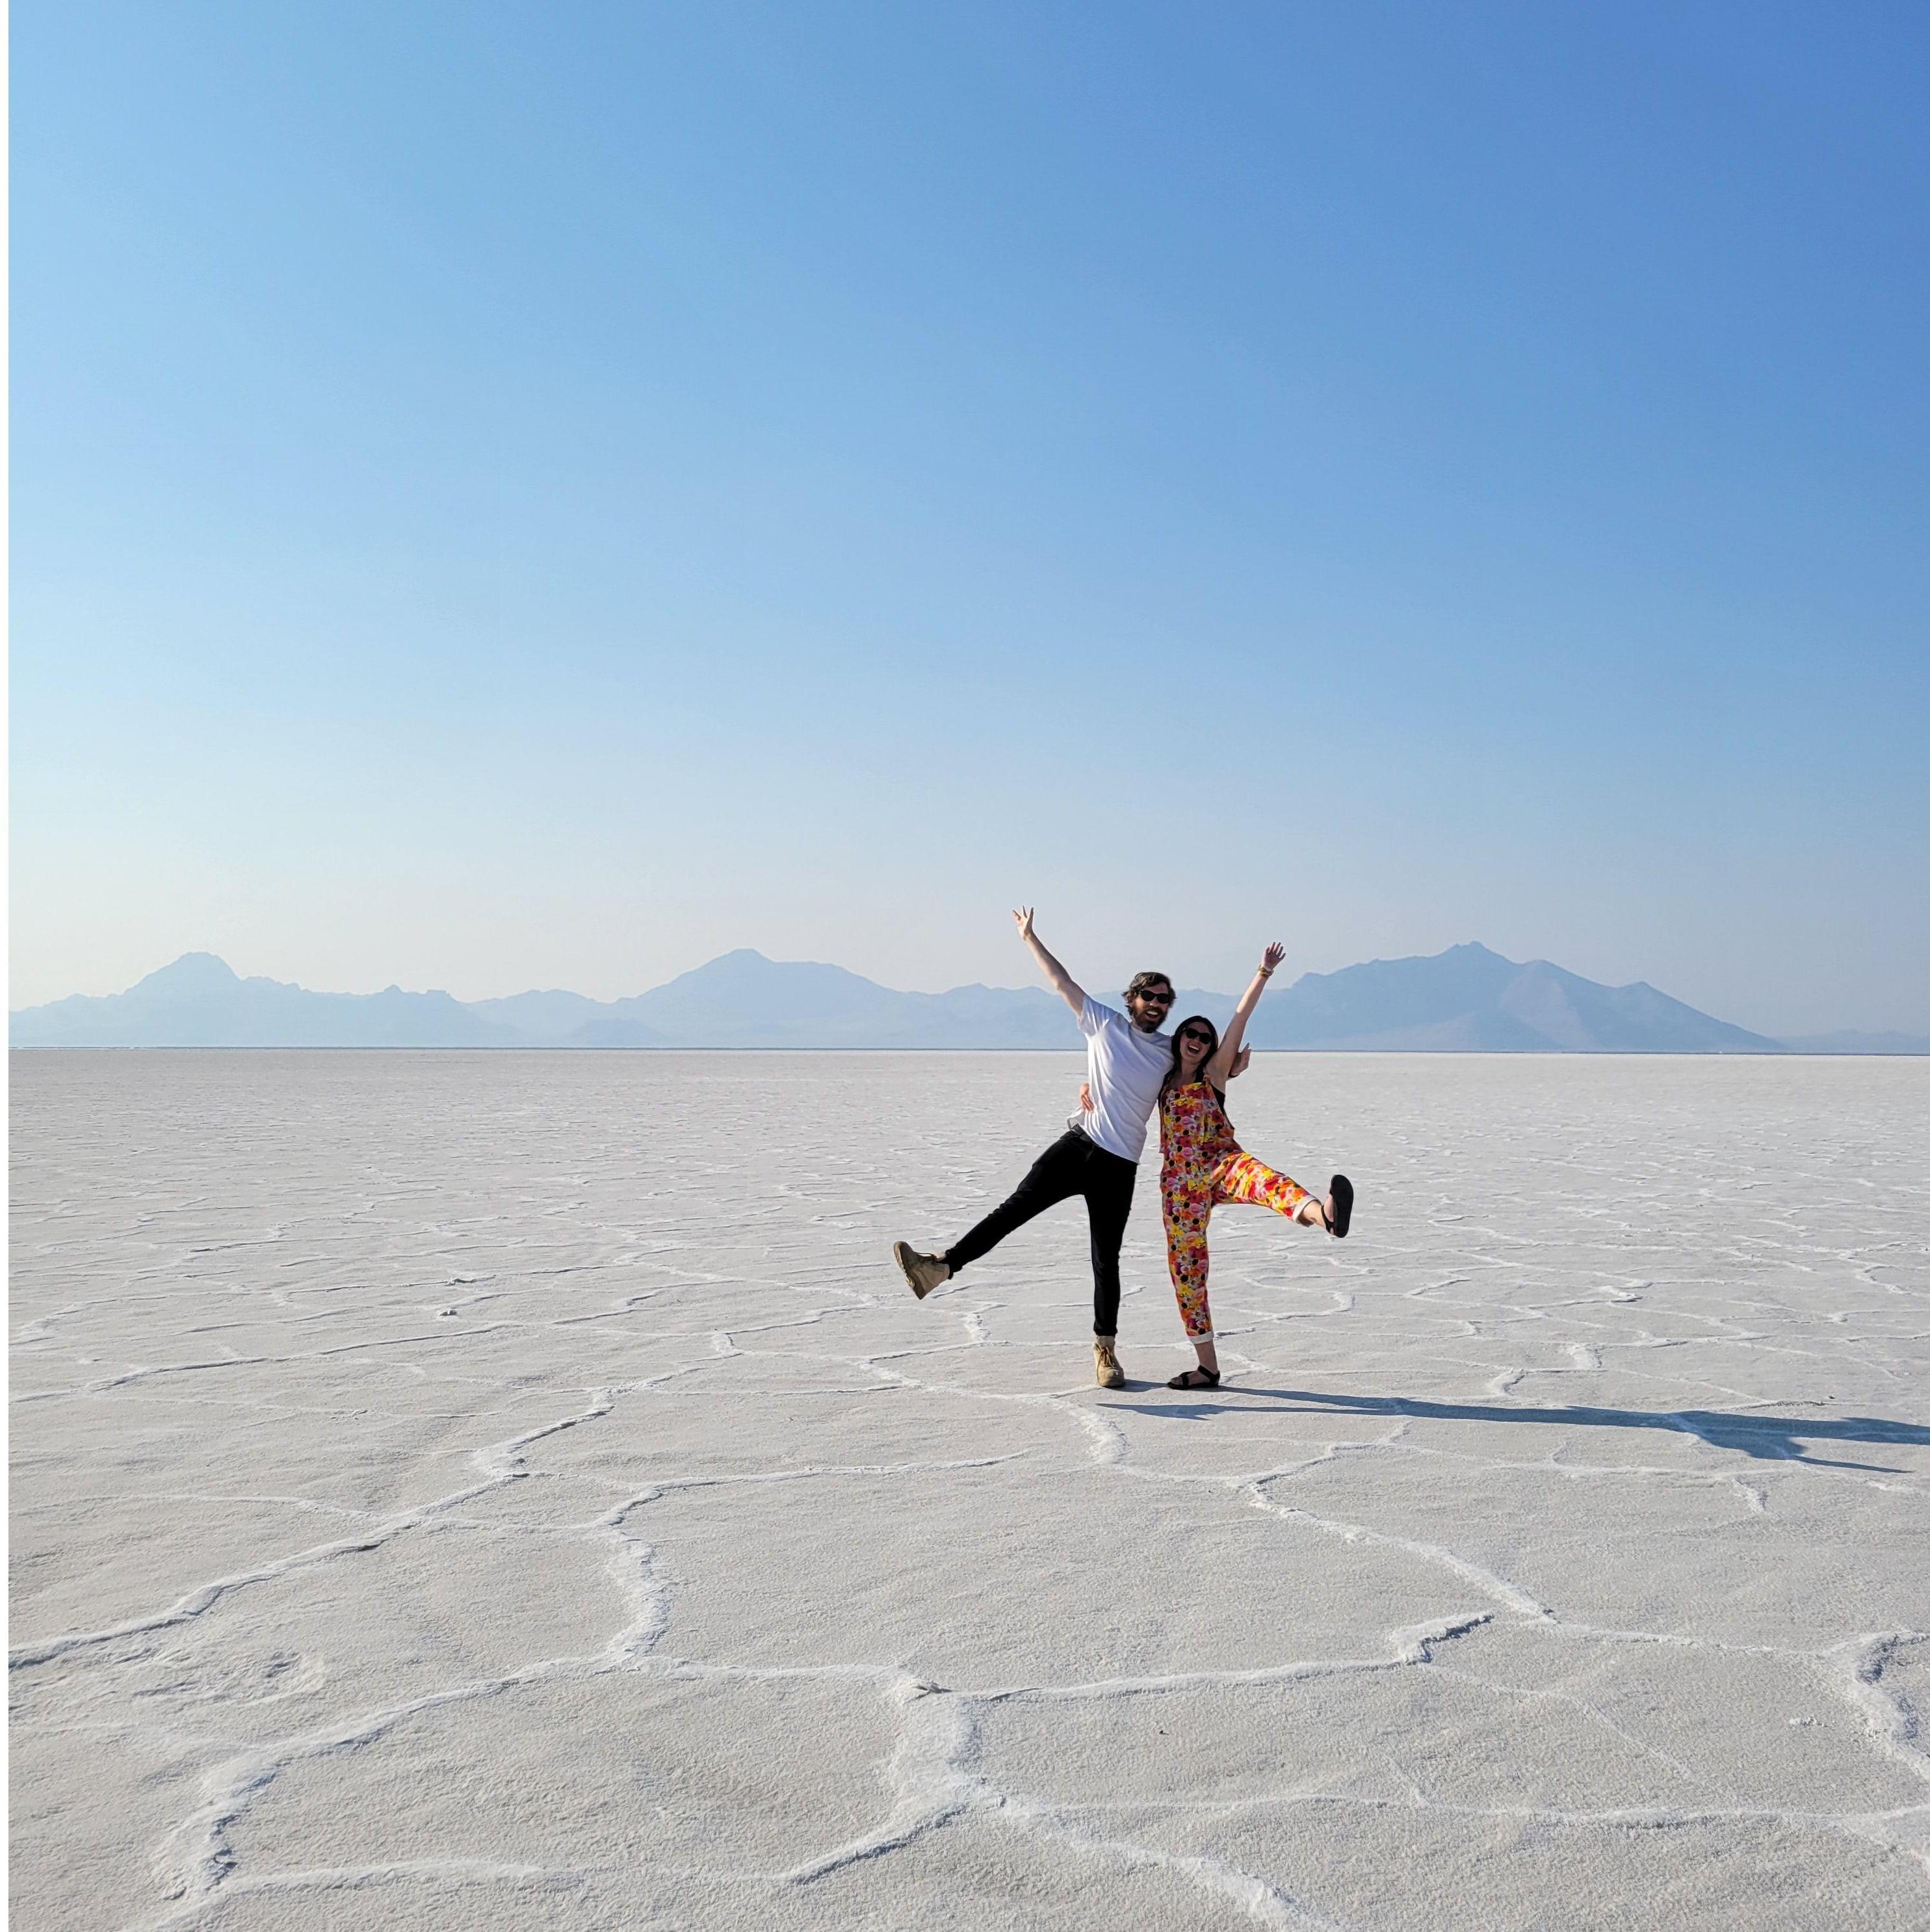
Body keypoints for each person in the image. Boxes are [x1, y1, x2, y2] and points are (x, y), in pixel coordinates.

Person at [892, 907, 1179, 1389]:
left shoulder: (1170, 1051)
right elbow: (1060, 981)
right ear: (1131, 999)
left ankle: (1104, 1352)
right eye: (1149, 995)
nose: (1156, 1004)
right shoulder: (1103, 1024)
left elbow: (1210, 1058)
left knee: (1105, 1260)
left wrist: (1236, 1056)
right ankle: (939, 1267)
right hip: (1077, 1146)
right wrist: (1029, 937)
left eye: (1165, 999)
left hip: (1119, 1165)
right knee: (1011, 1211)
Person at [1153, 943, 1353, 1390]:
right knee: (1187, 1271)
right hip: (1179, 1188)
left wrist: (1262, 972)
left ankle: (1325, 1215)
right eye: (1192, 1033)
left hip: (1220, 1163)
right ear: (1179, 1037)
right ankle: (1207, 1368)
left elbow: (1239, 1019)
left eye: (1205, 1038)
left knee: (1268, 1182)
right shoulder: (1160, 1078)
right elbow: (1119, 1076)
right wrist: (1090, 1088)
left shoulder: (1214, 1075)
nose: (1198, 1041)